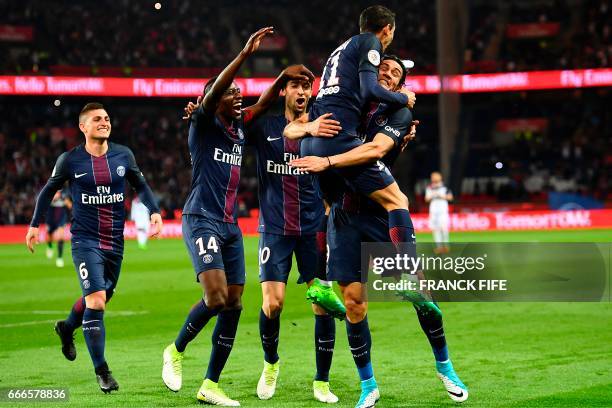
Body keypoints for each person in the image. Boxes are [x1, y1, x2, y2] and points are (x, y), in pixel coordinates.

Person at [290, 55, 468, 405]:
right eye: (383, 69)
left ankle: (445, 367)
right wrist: (309, 129)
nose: (387, 74)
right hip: (345, 218)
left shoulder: (399, 114)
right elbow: (291, 128)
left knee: (422, 301)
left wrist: (325, 160)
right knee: (355, 305)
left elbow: (376, 150)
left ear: (400, 86)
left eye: (395, 74)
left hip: (380, 216)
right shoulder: (348, 106)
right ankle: (368, 386)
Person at [161, 27, 314, 406]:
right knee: (214, 298)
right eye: (230, 92)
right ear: (213, 99)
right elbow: (214, 93)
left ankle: (210, 384)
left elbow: (262, 104)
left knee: (234, 304)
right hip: (201, 217)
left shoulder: (239, 130)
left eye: (238, 91)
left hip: (230, 225)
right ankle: (175, 350)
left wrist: (280, 79)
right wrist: (245, 54)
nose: (237, 94)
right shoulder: (203, 123)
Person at [26, 102, 163, 393]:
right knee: (96, 300)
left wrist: (154, 210)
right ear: (83, 127)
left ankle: (66, 327)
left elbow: (141, 184)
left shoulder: (123, 155)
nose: (104, 122)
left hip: (115, 242)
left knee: (99, 298)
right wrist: (34, 225)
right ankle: (103, 372)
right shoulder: (70, 160)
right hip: (85, 241)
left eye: (107, 118)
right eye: (97, 119)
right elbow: (48, 191)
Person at [425, 172, 453, 253]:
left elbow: (450, 197)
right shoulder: (430, 188)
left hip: (443, 211)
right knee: (435, 229)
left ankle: (446, 246)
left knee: (444, 228)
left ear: (440, 177)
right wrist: (432, 195)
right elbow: (426, 199)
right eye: (432, 177)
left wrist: (441, 196)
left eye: (435, 176)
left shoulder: (445, 187)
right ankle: (439, 247)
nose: (433, 178)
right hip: (433, 211)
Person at [45, 189, 72, 267]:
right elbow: (45, 202)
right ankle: (49, 246)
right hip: (51, 217)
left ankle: (59, 258)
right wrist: (53, 198)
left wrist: (67, 202)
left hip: (61, 217)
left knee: (60, 237)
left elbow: (70, 206)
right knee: (49, 235)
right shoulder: (50, 189)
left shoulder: (65, 193)